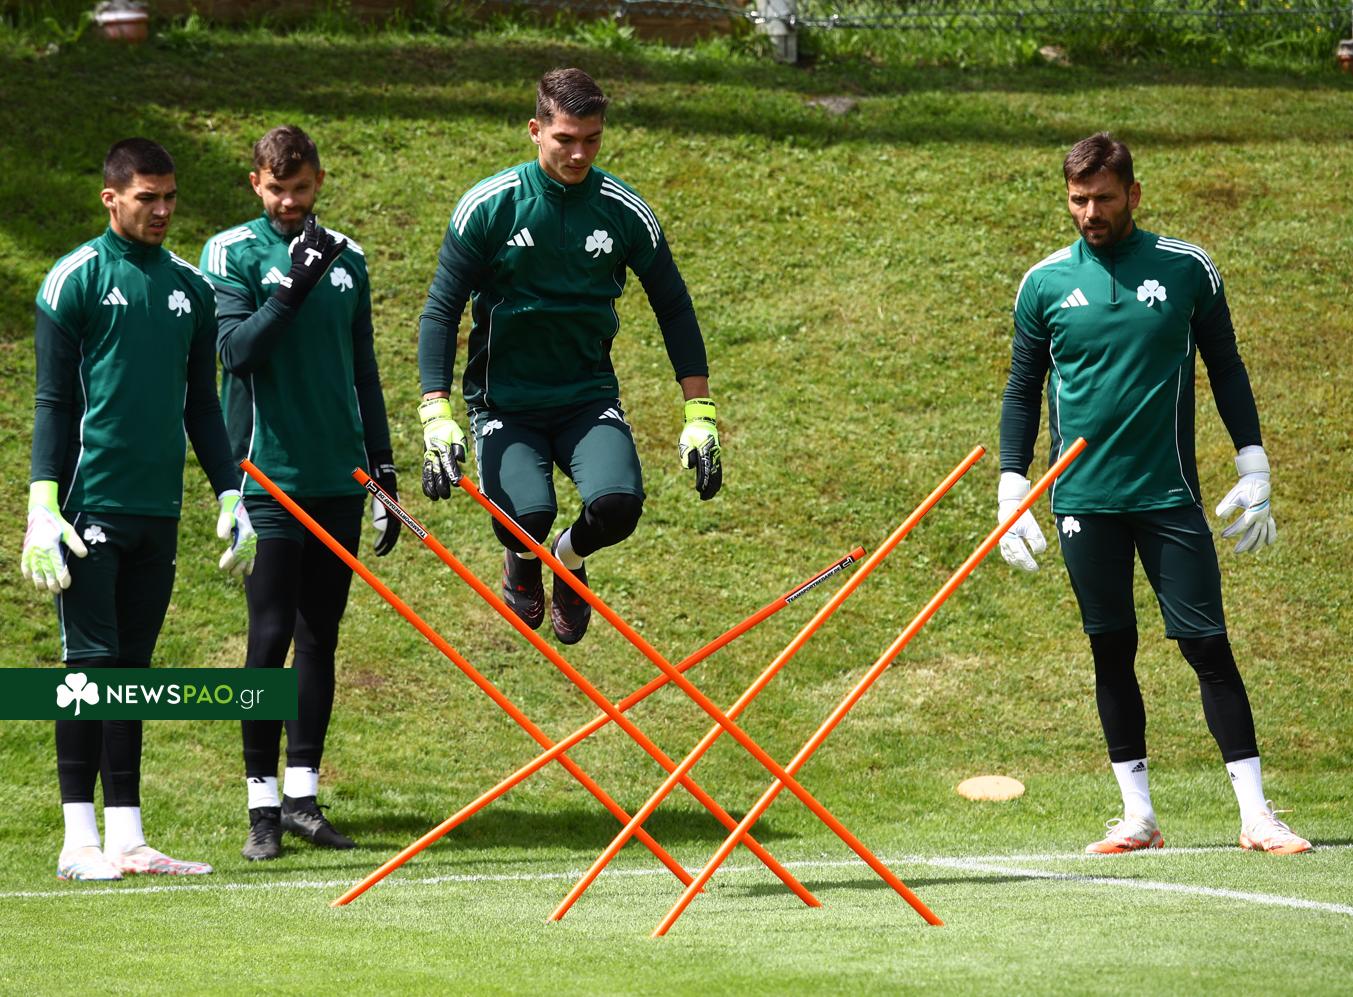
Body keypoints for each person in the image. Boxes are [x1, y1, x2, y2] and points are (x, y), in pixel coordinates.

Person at [997, 132, 1310, 855]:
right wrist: (1012, 482)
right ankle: (1137, 817)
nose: (1090, 213)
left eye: (1103, 198)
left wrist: (1253, 463)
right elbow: (1022, 388)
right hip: (1082, 501)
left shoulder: (1186, 268)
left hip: (1167, 495)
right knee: (1110, 649)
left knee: (1206, 646)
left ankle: (1256, 816)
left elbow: (1225, 365)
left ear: (1133, 194)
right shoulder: (1043, 283)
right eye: (1078, 200)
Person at [417, 68, 721, 646]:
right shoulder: (489, 206)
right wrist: (436, 413)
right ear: (536, 130)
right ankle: (523, 556)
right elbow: (440, 311)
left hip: (585, 398)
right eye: (565, 139)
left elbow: (675, 309)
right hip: (506, 403)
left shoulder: (623, 210)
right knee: (523, 519)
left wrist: (699, 414)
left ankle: (568, 558)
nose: (579, 154)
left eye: (592, 139)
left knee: (619, 505)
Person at [24, 138, 257, 881]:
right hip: (86, 504)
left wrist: (231, 491)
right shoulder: (75, 279)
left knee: (130, 672)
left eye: (169, 198)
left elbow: (203, 406)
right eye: (145, 198)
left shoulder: (191, 288)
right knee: (87, 670)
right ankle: (77, 842)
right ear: (111, 198)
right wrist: (41, 503)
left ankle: (127, 838)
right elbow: (54, 402)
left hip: (157, 509)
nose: (161, 211)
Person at [201, 125, 398, 861]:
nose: (290, 201)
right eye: (277, 189)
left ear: (319, 181)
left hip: (336, 477)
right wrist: (292, 287)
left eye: (302, 188)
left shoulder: (349, 255)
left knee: (322, 636)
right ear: (256, 182)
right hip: (266, 476)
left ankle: (302, 798)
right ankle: (260, 807)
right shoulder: (230, 252)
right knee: (269, 635)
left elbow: (363, 369)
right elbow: (234, 352)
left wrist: (382, 468)